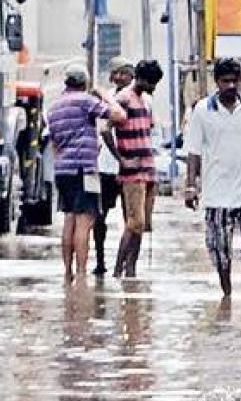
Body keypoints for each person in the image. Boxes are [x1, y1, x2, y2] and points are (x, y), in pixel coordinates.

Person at [184, 58, 241, 297]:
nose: (231, 86)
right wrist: (191, 186)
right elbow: (194, 151)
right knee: (220, 249)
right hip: (216, 190)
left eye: (235, 81)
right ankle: (227, 293)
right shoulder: (202, 110)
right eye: (226, 81)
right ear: (217, 82)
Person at [46, 61, 126, 283]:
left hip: (63, 169)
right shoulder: (85, 101)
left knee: (69, 219)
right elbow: (119, 116)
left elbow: (54, 143)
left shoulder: (55, 107)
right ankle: (81, 273)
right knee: (84, 221)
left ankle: (68, 271)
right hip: (84, 169)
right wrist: (105, 95)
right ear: (85, 83)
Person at [111, 59, 164, 278]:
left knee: (143, 224)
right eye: (151, 83)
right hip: (132, 170)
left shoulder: (146, 100)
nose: (153, 88)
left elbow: (149, 130)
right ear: (141, 79)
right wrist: (121, 159)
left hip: (148, 166)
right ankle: (117, 270)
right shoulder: (123, 99)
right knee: (135, 221)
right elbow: (105, 128)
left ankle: (131, 268)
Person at [93, 57, 131, 276]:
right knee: (100, 217)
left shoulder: (139, 99)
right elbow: (104, 130)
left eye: (123, 72)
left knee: (131, 220)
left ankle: (125, 264)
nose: (119, 77)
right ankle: (101, 261)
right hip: (108, 167)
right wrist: (119, 158)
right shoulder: (107, 100)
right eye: (115, 73)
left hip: (127, 168)